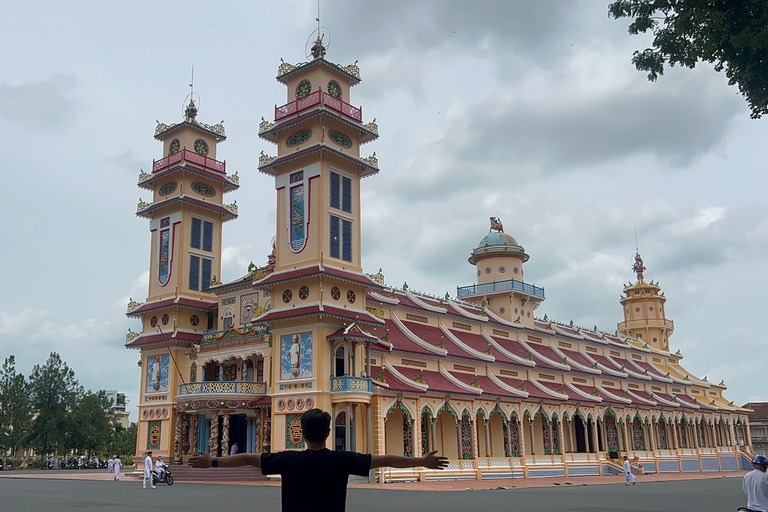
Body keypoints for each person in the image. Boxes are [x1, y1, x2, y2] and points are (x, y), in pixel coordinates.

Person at [189, 408, 448, 512]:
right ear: (328, 433)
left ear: (301, 433)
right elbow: (385, 460)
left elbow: (246, 458)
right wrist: (422, 462)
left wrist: (213, 461)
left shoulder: (289, 461)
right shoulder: (342, 460)